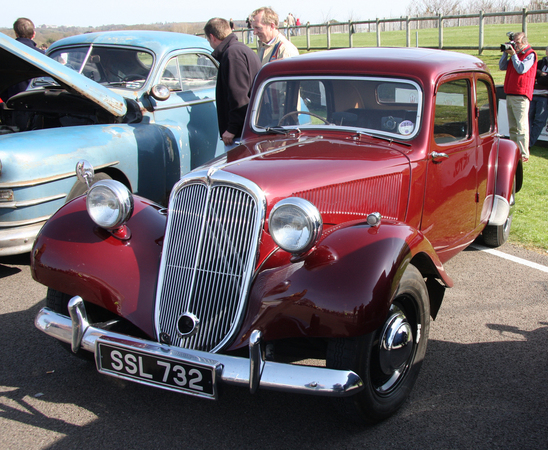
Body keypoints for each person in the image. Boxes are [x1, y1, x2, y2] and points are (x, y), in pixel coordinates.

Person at [204, 18, 261, 150]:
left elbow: (239, 95)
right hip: (249, 128)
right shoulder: (242, 49)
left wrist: (232, 129)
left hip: (241, 134)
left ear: (212, 37)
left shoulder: (232, 54)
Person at [499, 32, 537, 162]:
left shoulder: (530, 54)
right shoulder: (515, 54)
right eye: (513, 42)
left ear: (524, 42)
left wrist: (514, 55)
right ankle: (515, 151)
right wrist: (506, 53)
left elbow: (521, 69)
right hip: (510, 93)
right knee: (513, 127)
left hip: (521, 95)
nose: (515, 45)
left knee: (521, 126)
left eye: (517, 43)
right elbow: (502, 66)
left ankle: (524, 153)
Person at [0, 17, 45, 102]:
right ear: (34, 34)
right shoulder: (43, 56)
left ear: (16, 34)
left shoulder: (5, 55)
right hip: (38, 102)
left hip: (12, 101)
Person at [528, 46, 548, 148]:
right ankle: (525, 142)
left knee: (539, 121)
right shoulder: (540, 62)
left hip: (544, 98)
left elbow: (545, 80)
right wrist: (542, 74)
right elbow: (532, 72)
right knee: (527, 119)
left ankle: (529, 144)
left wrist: (540, 78)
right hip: (532, 94)